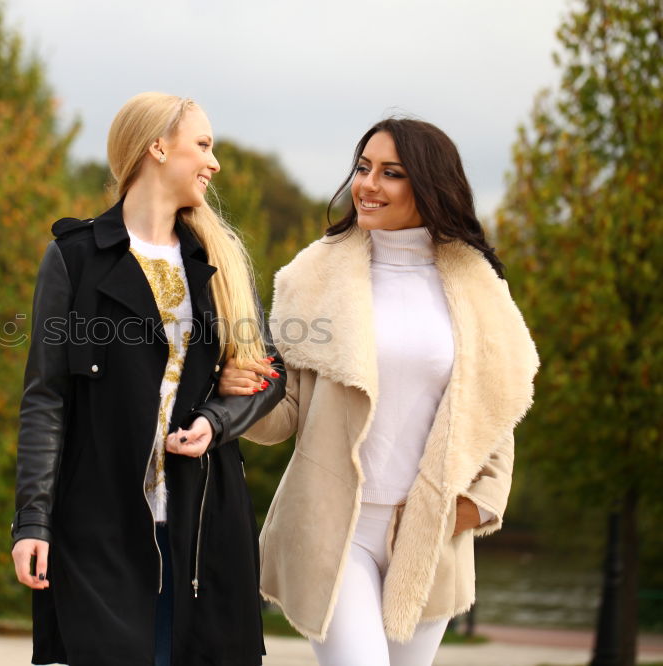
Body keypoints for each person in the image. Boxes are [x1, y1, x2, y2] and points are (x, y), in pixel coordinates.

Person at [218, 118, 540, 666]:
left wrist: (480, 503)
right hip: (334, 529)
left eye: (391, 173)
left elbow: (496, 403)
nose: (367, 184)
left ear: (431, 186)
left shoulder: (477, 283)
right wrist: (240, 388)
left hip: (431, 536)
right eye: (363, 168)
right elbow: (285, 415)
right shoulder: (313, 276)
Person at [11, 92, 285, 666]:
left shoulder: (220, 261)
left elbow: (269, 374)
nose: (214, 163)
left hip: (204, 525)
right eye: (203, 145)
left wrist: (215, 419)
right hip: (99, 526)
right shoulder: (74, 258)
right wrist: (32, 520)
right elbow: (46, 399)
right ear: (158, 147)